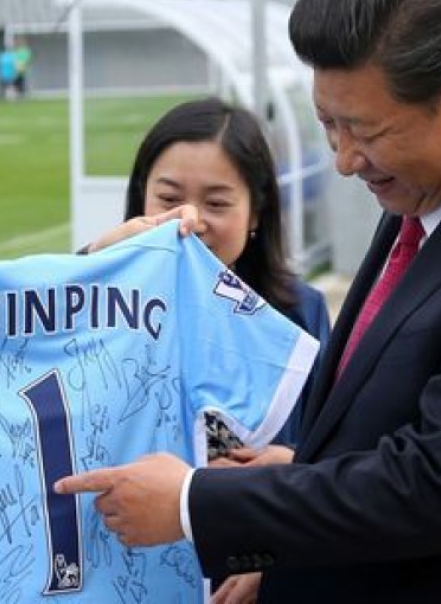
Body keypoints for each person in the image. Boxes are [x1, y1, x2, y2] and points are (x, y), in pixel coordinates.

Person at [55, 0, 441, 604]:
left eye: (365, 131)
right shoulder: (427, 192)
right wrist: (301, 474)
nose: (344, 160)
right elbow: (401, 415)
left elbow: (433, 489)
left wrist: (194, 502)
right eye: (328, 125)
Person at [81, 97, 330, 449]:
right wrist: (92, 263)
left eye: (216, 204)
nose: (190, 221)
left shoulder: (300, 314)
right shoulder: (95, 305)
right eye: (168, 199)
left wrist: (286, 464)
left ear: (255, 213)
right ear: (142, 197)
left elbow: (330, 448)